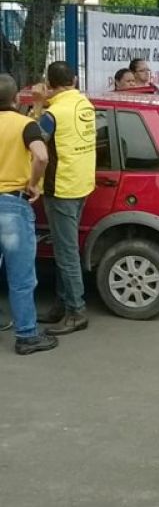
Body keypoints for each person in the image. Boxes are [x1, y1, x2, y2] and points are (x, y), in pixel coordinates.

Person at [34, 62, 96, 335]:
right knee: (66, 249)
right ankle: (62, 303)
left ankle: (76, 311)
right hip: (82, 183)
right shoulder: (85, 104)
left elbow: (34, 143)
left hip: (61, 188)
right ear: (74, 79)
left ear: (49, 83)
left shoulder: (52, 113)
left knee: (66, 253)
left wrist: (37, 104)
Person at [0, 74, 59, 355]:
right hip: (12, 205)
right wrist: (33, 183)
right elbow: (42, 155)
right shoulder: (26, 126)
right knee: (21, 276)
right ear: (15, 99)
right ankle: (26, 335)